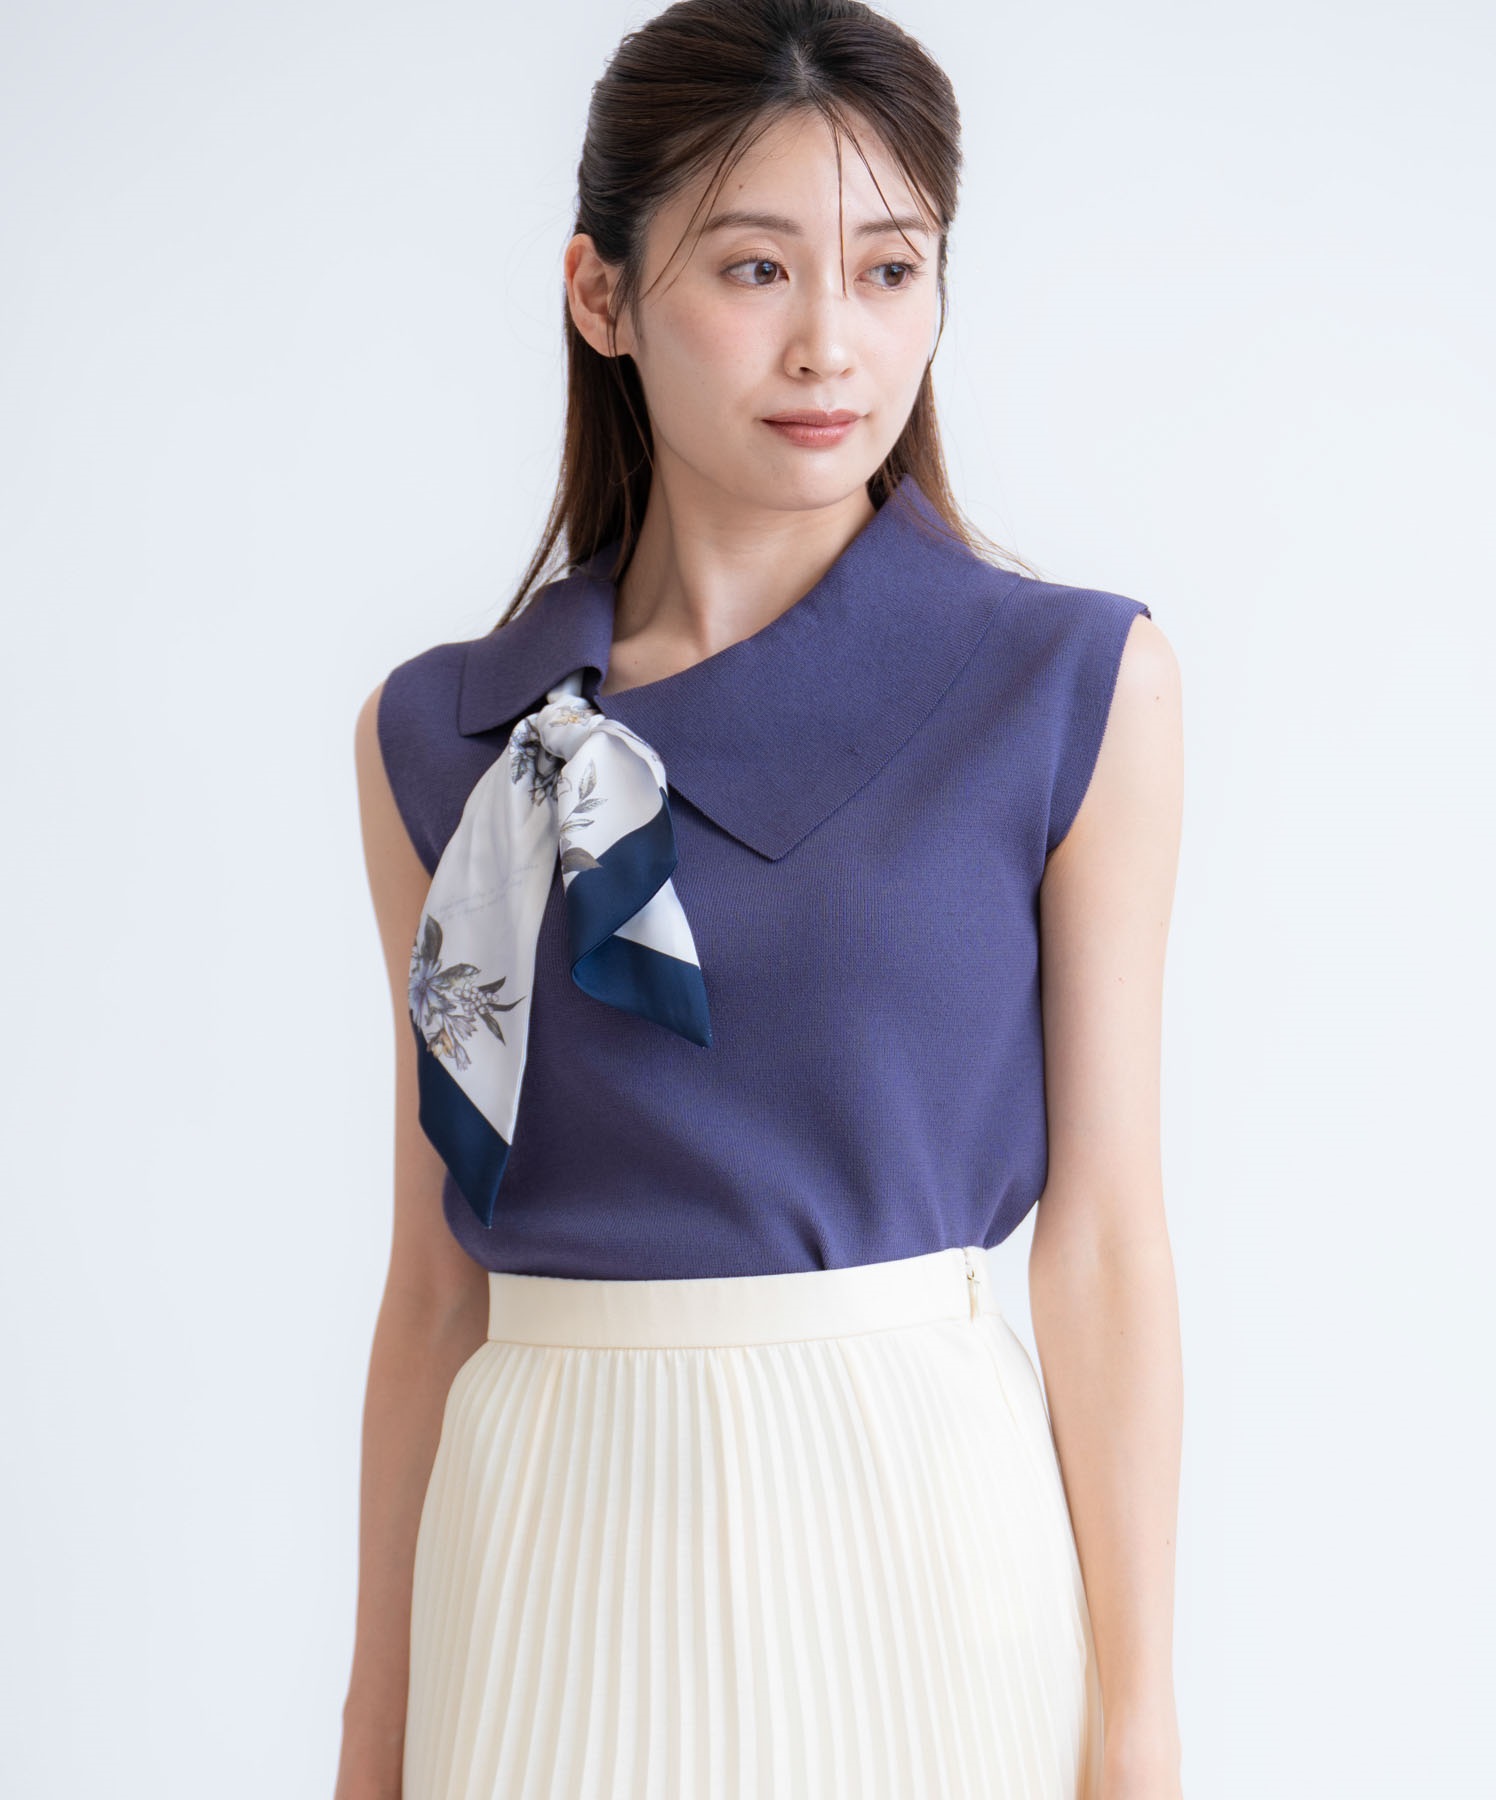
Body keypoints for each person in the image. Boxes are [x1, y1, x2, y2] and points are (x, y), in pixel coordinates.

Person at [336, 2, 1185, 1796]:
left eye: (889, 271)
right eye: (753, 267)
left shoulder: (1068, 687)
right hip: (543, 1565)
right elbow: (433, 1285)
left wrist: (1141, 1721)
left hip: (924, 1550)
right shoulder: (445, 739)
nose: (830, 344)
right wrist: (373, 1735)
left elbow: (1106, 1243)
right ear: (602, 294)